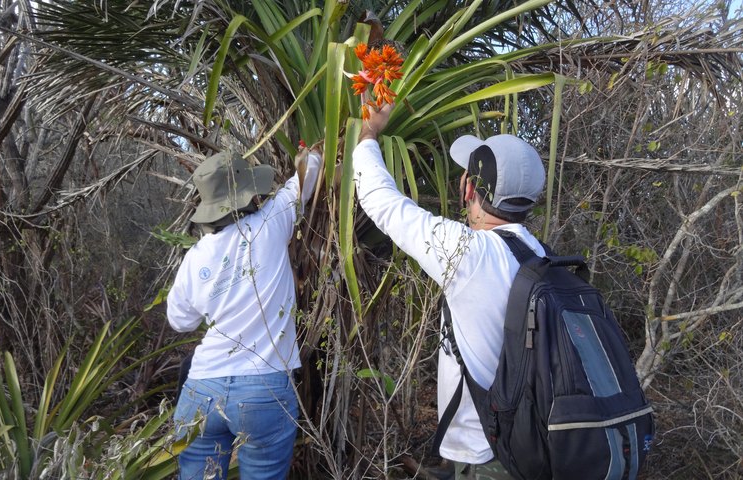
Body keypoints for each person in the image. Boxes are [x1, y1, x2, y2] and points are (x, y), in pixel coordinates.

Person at [352, 104, 546, 480]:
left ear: (470, 187)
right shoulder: (542, 255)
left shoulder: (468, 254)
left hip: (487, 454)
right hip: (533, 446)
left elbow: (382, 202)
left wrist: (369, 134)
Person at [167, 146, 322, 480]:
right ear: (249, 195)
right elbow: (310, 172)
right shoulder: (270, 222)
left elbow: (180, 321)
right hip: (263, 390)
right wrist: (308, 153)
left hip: (201, 391)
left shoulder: (195, 257)